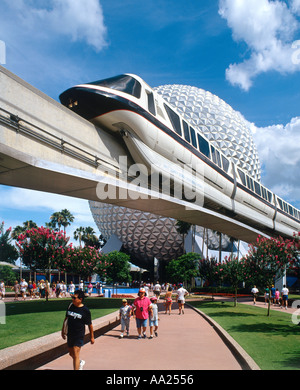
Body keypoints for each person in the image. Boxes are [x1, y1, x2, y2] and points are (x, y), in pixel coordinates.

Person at [61, 290, 94, 370]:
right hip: (70, 333)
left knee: (76, 353)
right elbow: (66, 319)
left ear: (80, 299)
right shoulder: (70, 306)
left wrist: (92, 337)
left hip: (79, 335)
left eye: (74, 298)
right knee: (71, 353)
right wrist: (62, 331)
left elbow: (90, 325)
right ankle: (79, 362)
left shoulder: (85, 310)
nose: (72, 299)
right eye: (72, 297)